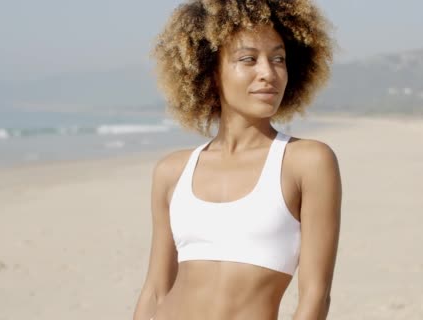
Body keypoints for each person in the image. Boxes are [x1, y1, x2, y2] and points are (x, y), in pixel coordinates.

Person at [133, 1, 341, 319]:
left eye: (278, 59)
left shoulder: (307, 162)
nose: (268, 73)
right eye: (249, 59)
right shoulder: (172, 171)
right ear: (211, 72)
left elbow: (315, 294)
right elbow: (155, 290)